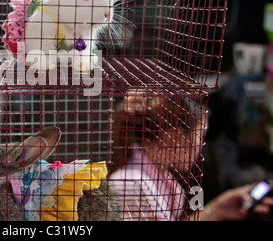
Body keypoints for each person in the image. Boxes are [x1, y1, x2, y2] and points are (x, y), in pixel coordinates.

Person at [109, 90, 272, 221]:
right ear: (175, 137)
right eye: (200, 137)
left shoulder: (155, 175)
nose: (202, 145)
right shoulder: (133, 185)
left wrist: (214, 211)